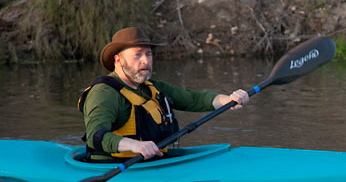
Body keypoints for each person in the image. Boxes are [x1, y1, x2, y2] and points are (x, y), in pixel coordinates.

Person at [79, 27, 249, 161]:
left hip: (154, 162)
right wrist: (135, 146)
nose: (145, 60)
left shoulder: (151, 88)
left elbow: (193, 99)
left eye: (148, 54)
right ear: (118, 60)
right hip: (115, 166)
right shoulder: (104, 93)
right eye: (137, 54)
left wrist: (228, 100)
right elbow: (95, 136)